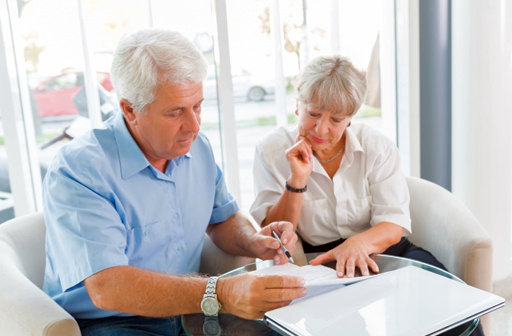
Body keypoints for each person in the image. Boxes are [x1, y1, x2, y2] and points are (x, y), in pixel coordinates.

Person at [42, 28, 306, 336]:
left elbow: (222, 219)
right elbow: (108, 287)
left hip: (190, 310)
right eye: (175, 112)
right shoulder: (79, 170)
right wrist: (220, 293)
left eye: (197, 105)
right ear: (130, 109)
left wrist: (252, 240)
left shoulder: (198, 147)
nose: (193, 126)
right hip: (110, 321)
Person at [250, 55, 485, 335]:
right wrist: (297, 180)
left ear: (350, 120)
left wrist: (358, 244)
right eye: (313, 113)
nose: (321, 129)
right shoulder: (271, 151)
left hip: (384, 252)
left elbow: (393, 224)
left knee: (454, 310)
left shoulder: (377, 147)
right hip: (320, 266)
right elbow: (276, 234)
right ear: (297, 105)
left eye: (336, 119)